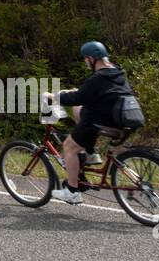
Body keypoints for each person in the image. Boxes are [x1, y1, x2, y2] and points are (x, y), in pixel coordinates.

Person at [50, 41, 135, 204]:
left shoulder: (97, 78)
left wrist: (54, 96)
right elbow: (87, 97)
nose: (85, 62)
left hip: (100, 122)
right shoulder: (117, 73)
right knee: (78, 109)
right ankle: (89, 152)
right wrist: (79, 94)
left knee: (69, 147)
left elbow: (77, 97)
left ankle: (72, 191)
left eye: (85, 59)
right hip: (123, 120)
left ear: (91, 59)